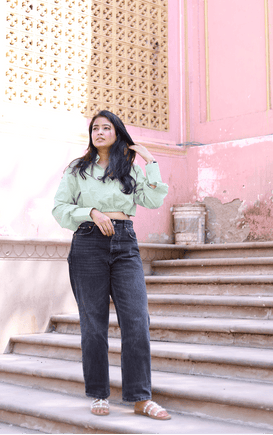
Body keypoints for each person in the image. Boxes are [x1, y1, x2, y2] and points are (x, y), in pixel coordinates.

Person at [52, 110, 171, 421]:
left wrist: (150, 162)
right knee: (93, 325)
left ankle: (140, 398)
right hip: (88, 243)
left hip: (125, 243)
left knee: (136, 321)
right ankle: (98, 394)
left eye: (106, 127)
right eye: (95, 128)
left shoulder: (128, 170)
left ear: (117, 133)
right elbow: (60, 207)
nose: (100, 132)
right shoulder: (78, 170)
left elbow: (152, 200)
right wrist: (91, 212)